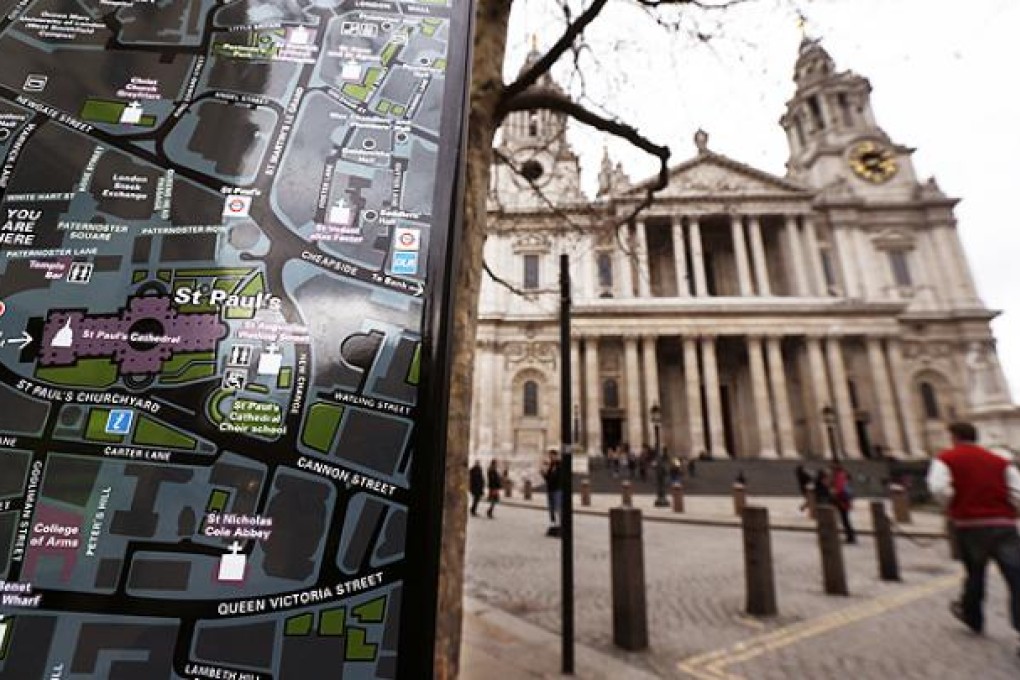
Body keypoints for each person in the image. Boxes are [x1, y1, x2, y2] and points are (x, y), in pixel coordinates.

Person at [927, 421, 1020, 653]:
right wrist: (1009, 511)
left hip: (970, 525)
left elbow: (939, 489)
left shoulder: (946, 459)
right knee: (1016, 577)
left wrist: (952, 506)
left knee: (975, 573)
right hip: (1004, 526)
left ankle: (973, 616)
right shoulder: (1001, 461)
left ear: (954, 437)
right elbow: (1017, 492)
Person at [831, 463, 856, 544]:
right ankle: (850, 536)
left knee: (845, 519)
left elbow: (839, 490)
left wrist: (835, 495)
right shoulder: (843, 476)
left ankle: (850, 536)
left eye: (833, 470)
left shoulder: (839, 477)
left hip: (842, 501)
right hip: (845, 500)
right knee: (845, 519)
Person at [541, 448, 562, 527]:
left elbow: (558, 477)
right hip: (550, 489)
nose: (550, 458)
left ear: (556, 456)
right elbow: (548, 478)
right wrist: (543, 473)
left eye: (551, 456)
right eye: (549, 456)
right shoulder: (551, 465)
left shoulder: (560, 465)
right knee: (551, 507)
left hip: (557, 489)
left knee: (558, 506)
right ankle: (553, 522)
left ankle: (560, 523)